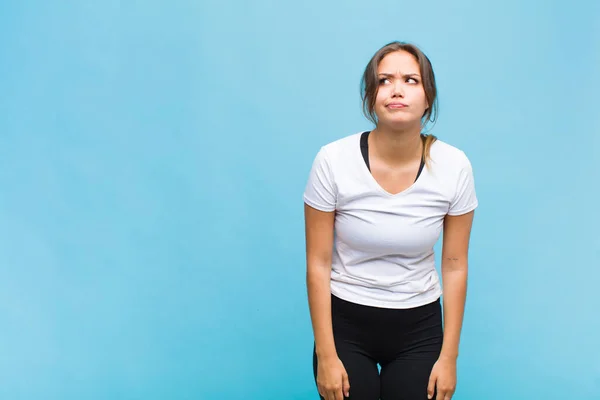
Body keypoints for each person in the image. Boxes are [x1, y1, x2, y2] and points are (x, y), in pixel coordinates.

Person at [303, 41, 478, 400]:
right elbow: (318, 263)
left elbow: (456, 264)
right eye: (385, 80)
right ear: (371, 97)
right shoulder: (333, 160)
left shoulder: (454, 165)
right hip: (345, 325)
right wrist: (326, 354)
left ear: (428, 98)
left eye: (411, 80)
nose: (397, 89)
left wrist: (449, 357)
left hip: (419, 328)